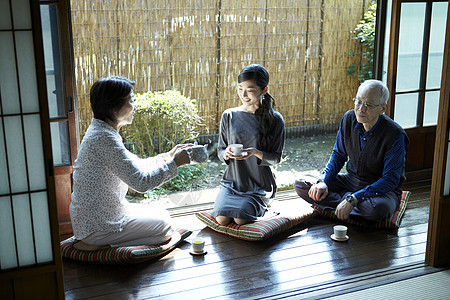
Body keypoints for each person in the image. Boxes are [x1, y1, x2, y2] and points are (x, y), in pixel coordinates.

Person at [70, 76, 192, 251]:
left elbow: (135, 166)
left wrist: (168, 157)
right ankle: (98, 244)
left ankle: (97, 240)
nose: (135, 106)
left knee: (162, 214)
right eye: (131, 100)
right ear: (114, 108)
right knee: (165, 229)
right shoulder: (103, 138)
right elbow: (141, 183)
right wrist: (175, 165)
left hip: (100, 216)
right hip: (98, 225)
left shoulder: (102, 131)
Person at [294, 79, 409, 223]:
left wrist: (354, 198)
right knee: (302, 184)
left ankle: (345, 203)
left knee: (378, 210)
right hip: (351, 181)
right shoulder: (349, 118)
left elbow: (390, 180)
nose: (361, 109)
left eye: (368, 104)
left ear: (382, 108)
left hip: (380, 191)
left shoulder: (395, 134)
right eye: (358, 101)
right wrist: (324, 182)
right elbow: (338, 155)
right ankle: (348, 205)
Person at [212, 64, 285, 225]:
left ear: (264, 90)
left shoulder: (275, 120)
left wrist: (255, 152)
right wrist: (226, 153)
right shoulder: (229, 115)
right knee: (222, 219)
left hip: (258, 184)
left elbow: (276, 157)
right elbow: (220, 149)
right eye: (240, 88)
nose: (243, 94)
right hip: (232, 182)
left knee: (240, 218)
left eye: (250, 89)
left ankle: (266, 206)